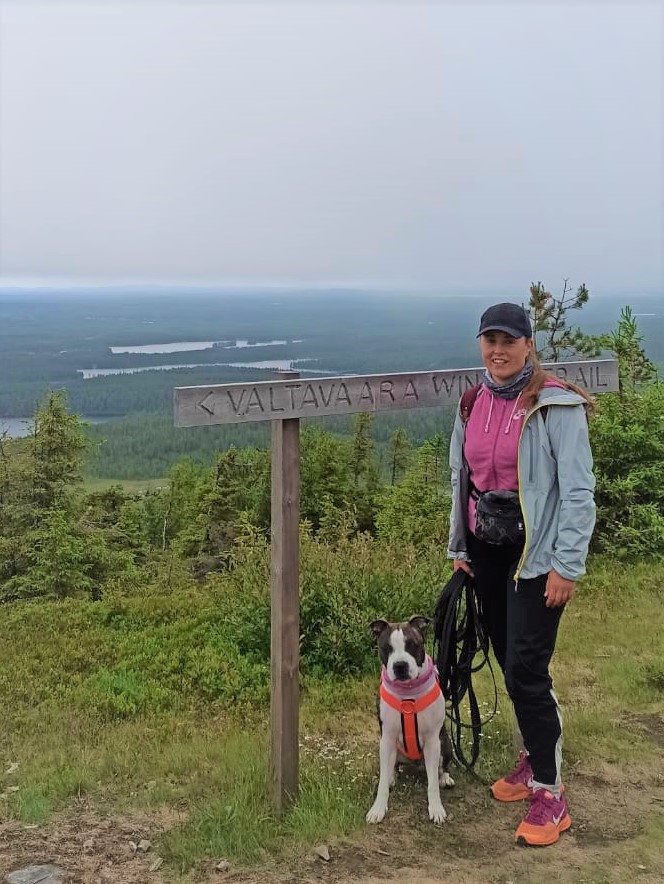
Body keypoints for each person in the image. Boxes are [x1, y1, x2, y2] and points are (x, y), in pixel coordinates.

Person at [447, 302, 596, 847]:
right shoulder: (471, 402)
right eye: (490, 339)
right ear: (480, 344)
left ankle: (551, 794)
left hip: (538, 560)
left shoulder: (554, 406)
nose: (499, 349)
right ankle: (532, 761)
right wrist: (458, 547)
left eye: (510, 340)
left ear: (529, 345)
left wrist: (567, 566)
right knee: (510, 661)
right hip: (487, 551)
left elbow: (578, 494)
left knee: (528, 670)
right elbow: (459, 477)